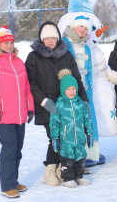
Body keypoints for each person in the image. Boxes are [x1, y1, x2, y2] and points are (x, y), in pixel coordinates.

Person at [25, 21, 88, 186]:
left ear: (58, 38)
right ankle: (50, 171)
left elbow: (76, 78)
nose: (50, 41)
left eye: (53, 37)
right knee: (54, 137)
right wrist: (44, 101)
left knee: (67, 137)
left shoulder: (66, 55)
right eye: (47, 38)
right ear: (42, 39)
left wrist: (84, 98)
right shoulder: (34, 57)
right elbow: (31, 83)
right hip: (47, 105)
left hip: (66, 105)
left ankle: (63, 168)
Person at [0, 26, 34, 198]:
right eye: (6, 43)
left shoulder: (18, 61)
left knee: (17, 149)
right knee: (9, 149)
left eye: (11, 42)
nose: (9, 45)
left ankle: (13, 180)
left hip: (19, 115)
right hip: (2, 115)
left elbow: (26, 87)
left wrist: (30, 107)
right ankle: (7, 185)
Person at [62, 16, 100, 165]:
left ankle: (90, 154)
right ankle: (73, 158)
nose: (83, 30)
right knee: (73, 124)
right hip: (70, 90)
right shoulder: (64, 44)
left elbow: (88, 71)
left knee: (88, 120)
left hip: (85, 90)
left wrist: (88, 89)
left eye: (85, 28)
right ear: (73, 27)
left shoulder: (87, 48)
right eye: (80, 27)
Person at [49, 69, 94, 188]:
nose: (71, 91)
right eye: (68, 89)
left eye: (73, 88)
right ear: (63, 90)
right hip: (66, 139)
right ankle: (67, 178)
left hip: (79, 138)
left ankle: (79, 176)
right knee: (68, 158)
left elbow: (87, 119)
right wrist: (55, 138)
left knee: (80, 157)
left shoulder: (81, 104)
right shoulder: (59, 105)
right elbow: (54, 123)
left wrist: (90, 134)